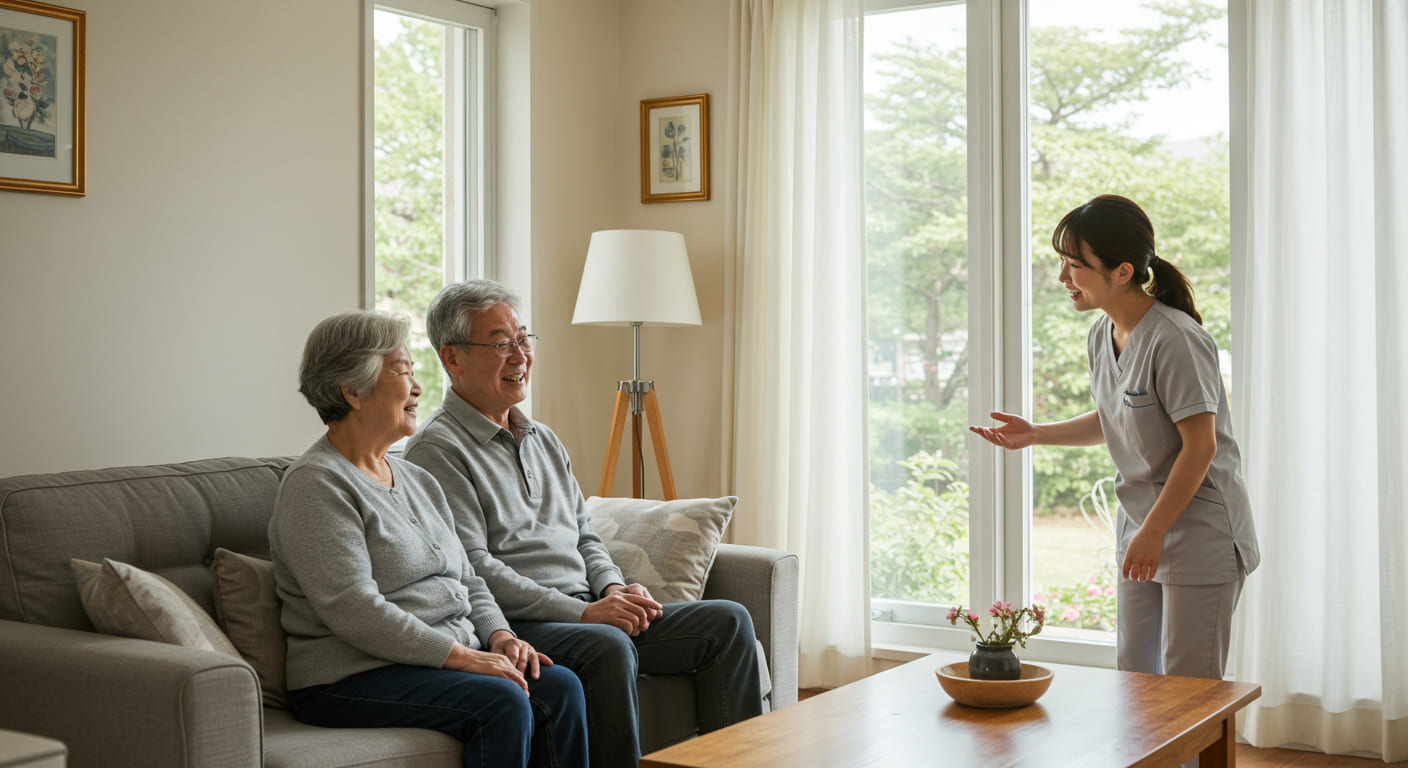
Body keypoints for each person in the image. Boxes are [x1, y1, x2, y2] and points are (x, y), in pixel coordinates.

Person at [404, 280, 764, 768]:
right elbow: (473, 567)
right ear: (452, 358)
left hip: (586, 608)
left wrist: (613, 589)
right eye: (501, 343)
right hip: (520, 623)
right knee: (608, 645)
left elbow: (586, 535)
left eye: (524, 339)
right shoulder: (437, 449)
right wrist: (583, 615)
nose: (520, 355)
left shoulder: (543, 438)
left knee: (727, 622)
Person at [269, 310, 589, 768]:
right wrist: (460, 657)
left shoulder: (416, 478)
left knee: (560, 686)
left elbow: (469, 578)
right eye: (402, 370)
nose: (417, 387)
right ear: (353, 391)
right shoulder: (316, 484)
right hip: (351, 677)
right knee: (501, 700)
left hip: (428, 661)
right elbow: (354, 608)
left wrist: (499, 636)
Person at [970, 194, 1259, 683]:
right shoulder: (1102, 333)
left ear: (1122, 271)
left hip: (1198, 530)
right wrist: (1036, 434)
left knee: (1188, 687)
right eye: (1063, 262)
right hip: (1142, 524)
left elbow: (1201, 446)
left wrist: (1153, 531)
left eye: (1074, 265)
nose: (1063, 277)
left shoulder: (1176, 339)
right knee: (1135, 676)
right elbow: (1117, 417)